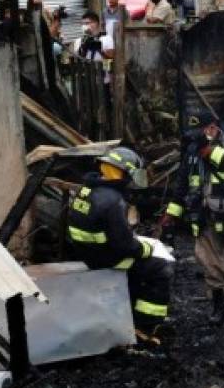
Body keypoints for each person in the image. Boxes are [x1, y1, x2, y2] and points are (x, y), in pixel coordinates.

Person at [67, 148, 173, 346]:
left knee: (139, 266)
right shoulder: (113, 200)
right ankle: (145, 325)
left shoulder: (86, 189)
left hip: (87, 253)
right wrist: (146, 249)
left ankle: (131, 312)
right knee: (160, 268)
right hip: (106, 258)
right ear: (124, 171)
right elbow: (125, 246)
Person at [166, 113, 224, 324]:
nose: (195, 138)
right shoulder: (192, 150)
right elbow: (182, 182)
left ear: (212, 128)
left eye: (199, 133)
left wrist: (213, 153)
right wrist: (173, 212)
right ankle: (219, 308)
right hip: (205, 213)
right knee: (208, 261)